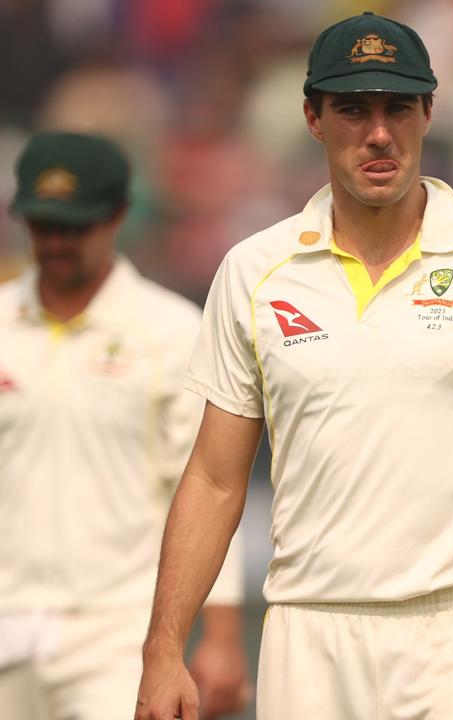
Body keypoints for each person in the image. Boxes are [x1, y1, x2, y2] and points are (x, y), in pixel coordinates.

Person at [134, 12, 453, 720]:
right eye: (352, 109)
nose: (378, 133)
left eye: (398, 107)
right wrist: (162, 650)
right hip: (308, 637)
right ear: (312, 117)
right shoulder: (253, 272)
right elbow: (215, 478)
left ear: (428, 112)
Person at [0, 131, 247, 719]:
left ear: (117, 216)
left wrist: (221, 637)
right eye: (42, 225)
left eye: (74, 225)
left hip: (117, 633)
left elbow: (210, 483)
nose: (56, 241)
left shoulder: (168, 330)